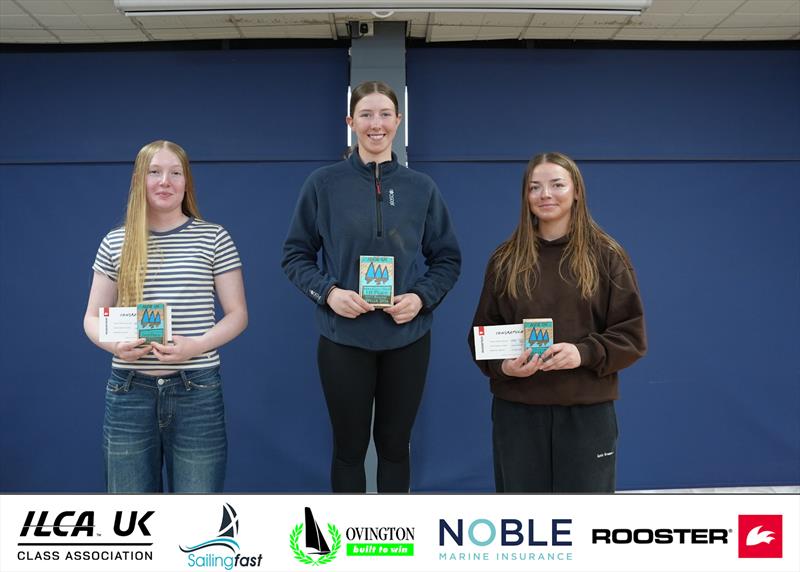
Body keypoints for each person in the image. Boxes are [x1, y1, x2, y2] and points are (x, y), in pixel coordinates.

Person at [282, 80, 461, 493]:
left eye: (384, 114)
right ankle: (348, 551)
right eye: (366, 115)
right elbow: (295, 255)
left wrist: (420, 297)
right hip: (343, 338)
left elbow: (448, 259)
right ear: (351, 122)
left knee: (396, 447)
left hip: (407, 338)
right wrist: (328, 293)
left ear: (398, 121)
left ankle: (392, 550)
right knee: (348, 449)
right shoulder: (322, 184)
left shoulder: (422, 189)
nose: (375, 124)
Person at [468, 152, 646, 493]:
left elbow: (631, 335)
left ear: (576, 190)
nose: (545, 194)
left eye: (557, 185)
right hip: (517, 414)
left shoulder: (608, 255)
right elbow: (481, 337)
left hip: (586, 413)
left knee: (583, 525)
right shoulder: (505, 259)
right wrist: (504, 366)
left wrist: (584, 353)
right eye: (535, 187)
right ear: (525, 196)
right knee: (522, 526)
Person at [83, 140, 248, 492]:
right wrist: (114, 345)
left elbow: (237, 315)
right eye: (154, 172)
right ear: (139, 181)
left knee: (197, 524)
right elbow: (91, 319)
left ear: (186, 182)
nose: (165, 181)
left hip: (197, 390)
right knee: (133, 523)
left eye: (176, 173)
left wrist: (197, 345)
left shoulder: (214, 238)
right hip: (129, 391)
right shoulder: (116, 242)